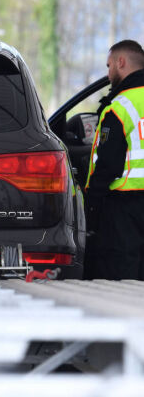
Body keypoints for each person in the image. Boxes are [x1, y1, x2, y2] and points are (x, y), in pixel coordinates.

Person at [85, 39, 144, 279]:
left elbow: (109, 164)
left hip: (125, 207)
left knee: (123, 274)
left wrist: (91, 204)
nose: (109, 74)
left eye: (109, 66)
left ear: (121, 63)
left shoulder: (119, 107)